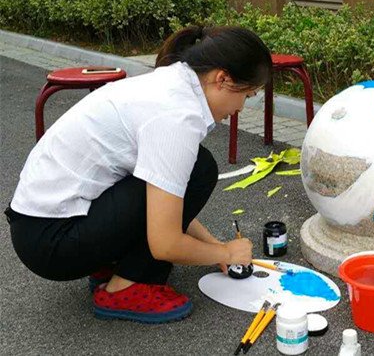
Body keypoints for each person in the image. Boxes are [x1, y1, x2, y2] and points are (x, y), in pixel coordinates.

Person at [5, 25, 272, 323]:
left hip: (41, 226)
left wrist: (213, 245)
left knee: (196, 166)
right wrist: (226, 253)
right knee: (201, 168)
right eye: (248, 95)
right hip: (52, 244)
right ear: (222, 79)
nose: (241, 107)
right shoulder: (176, 116)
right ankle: (125, 287)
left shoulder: (172, 82)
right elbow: (165, 242)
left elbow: (163, 197)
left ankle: (112, 261)